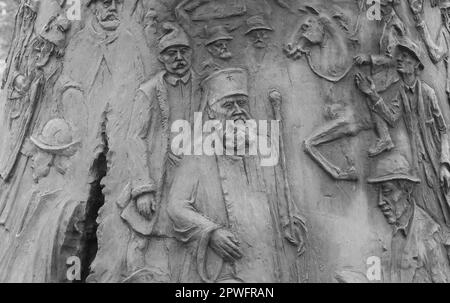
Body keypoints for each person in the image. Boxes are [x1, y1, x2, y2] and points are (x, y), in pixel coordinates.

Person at [167, 68, 304, 283]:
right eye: (228, 105)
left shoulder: (264, 146)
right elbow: (176, 206)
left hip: (268, 261)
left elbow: (280, 195)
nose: (238, 111)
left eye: (242, 103)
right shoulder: (198, 152)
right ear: (211, 112)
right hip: (225, 269)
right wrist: (211, 233)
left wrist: (292, 221)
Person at [356, 37, 450, 225]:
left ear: (416, 65)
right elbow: (392, 118)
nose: (399, 59)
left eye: (405, 56)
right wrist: (371, 93)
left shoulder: (428, 93)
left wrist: (444, 164)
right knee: (427, 205)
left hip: (433, 158)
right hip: (418, 163)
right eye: (399, 56)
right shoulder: (400, 91)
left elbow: (443, 129)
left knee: (444, 203)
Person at [368, 152, 450, 283]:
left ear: (407, 189)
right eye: (377, 193)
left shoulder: (429, 237)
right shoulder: (381, 231)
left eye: (387, 192)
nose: (380, 201)